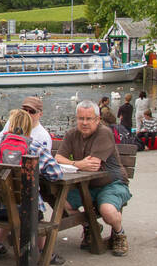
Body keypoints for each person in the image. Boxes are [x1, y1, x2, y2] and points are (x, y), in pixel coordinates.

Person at [0, 109, 64, 266]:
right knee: (34, 210)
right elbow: (57, 174)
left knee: (11, 202)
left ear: (10, 125)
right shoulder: (34, 147)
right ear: (29, 127)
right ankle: (42, 253)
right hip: (27, 212)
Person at [56, 101, 132, 256]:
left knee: (107, 210)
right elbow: (58, 157)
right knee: (61, 202)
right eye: (81, 118)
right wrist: (77, 163)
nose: (84, 123)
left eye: (89, 119)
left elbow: (93, 165)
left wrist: (73, 164)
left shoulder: (104, 133)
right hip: (85, 185)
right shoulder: (72, 134)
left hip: (112, 183)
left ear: (97, 119)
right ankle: (91, 226)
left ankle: (119, 234)